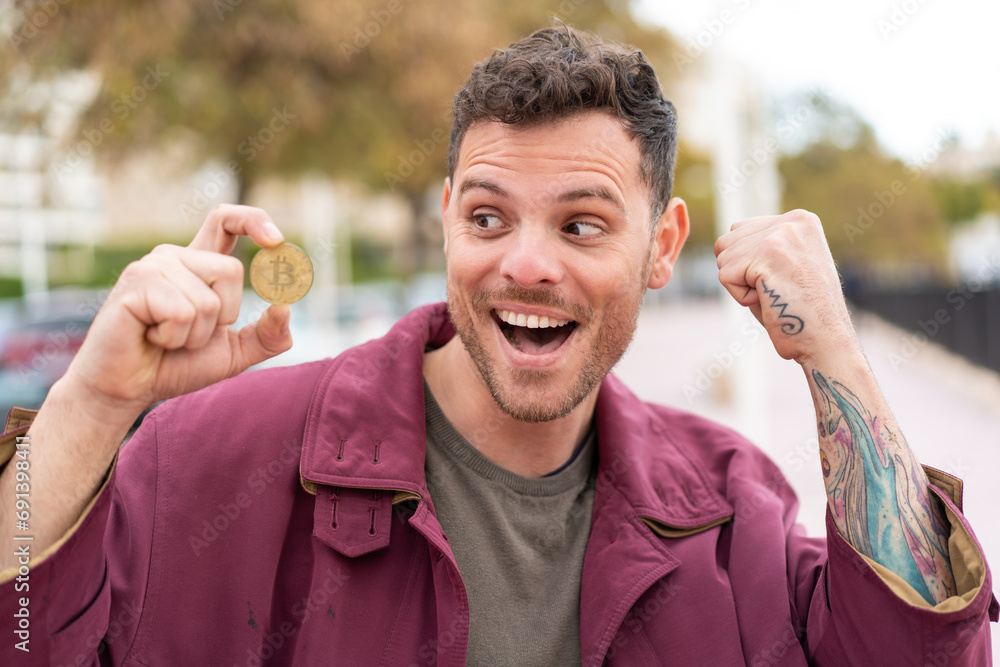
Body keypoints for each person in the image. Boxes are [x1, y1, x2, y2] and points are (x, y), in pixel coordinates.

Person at [1, 26, 996, 666]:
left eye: (580, 225)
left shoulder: (730, 505)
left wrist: (836, 357)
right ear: (445, 220)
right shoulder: (208, 455)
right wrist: (92, 402)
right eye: (487, 218)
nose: (525, 264)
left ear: (663, 245)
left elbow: (912, 650)